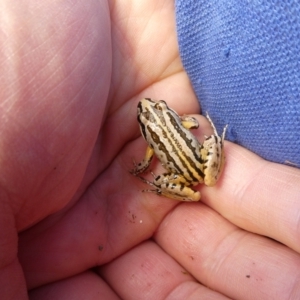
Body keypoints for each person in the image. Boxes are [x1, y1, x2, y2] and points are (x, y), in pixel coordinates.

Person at [1, 1, 299, 299]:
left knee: (180, 182)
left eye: (154, 110)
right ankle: (212, 153)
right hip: (197, 164)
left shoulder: (151, 143)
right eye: (150, 112)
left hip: (185, 175)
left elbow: (148, 160)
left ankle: (178, 186)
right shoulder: (178, 119)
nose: (149, 109)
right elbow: (193, 126)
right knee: (209, 155)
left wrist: (145, 170)